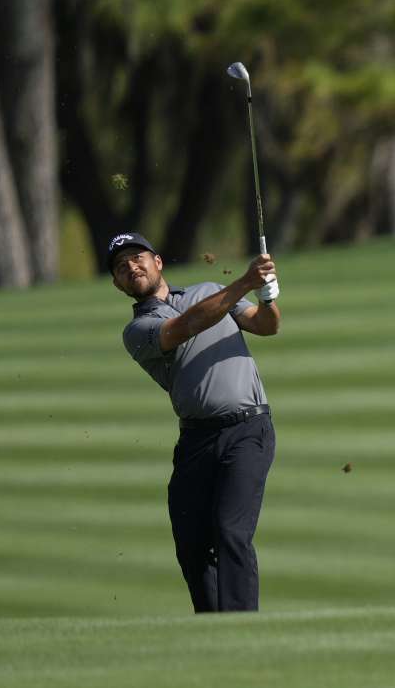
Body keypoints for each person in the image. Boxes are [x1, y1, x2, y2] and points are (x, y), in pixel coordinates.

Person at [109, 232, 282, 612]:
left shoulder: (210, 289)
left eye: (137, 258)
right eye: (121, 267)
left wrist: (267, 296)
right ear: (117, 284)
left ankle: (241, 631)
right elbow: (186, 326)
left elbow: (267, 326)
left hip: (247, 430)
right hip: (196, 442)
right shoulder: (137, 332)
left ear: (158, 262)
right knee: (191, 543)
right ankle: (211, 627)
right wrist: (244, 283)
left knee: (231, 531)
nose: (130, 267)